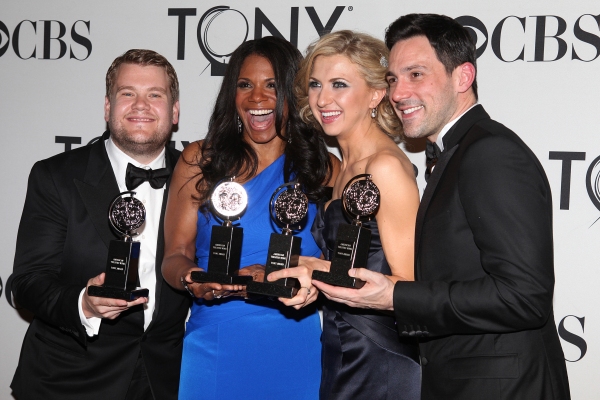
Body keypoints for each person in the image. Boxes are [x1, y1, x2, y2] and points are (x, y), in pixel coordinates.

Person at [312, 14, 571, 400]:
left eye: (416, 74)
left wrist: (395, 296)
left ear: (462, 78)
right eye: (394, 78)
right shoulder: (454, 155)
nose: (399, 92)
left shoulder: (491, 153)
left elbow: (524, 296)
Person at [6, 49, 191, 399]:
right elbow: (27, 282)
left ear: (175, 111)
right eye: (127, 94)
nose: (141, 105)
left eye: (155, 95)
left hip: (164, 380)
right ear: (107, 107)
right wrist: (83, 305)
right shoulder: (56, 176)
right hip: (68, 381)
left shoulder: (198, 179)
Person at [161, 36, 337, 400]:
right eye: (245, 85)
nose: (257, 98)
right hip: (214, 338)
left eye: (272, 85)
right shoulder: (199, 160)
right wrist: (191, 277)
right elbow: (174, 255)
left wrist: (279, 275)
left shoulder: (324, 170)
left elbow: (342, 266)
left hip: (291, 341)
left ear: (293, 92)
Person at [281, 30, 421, 399]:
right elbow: (353, 266)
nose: (322, 99)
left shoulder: (385, 167)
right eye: (315, 84)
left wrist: (319, 270)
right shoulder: (343, 168)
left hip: (381, 355)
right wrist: (313, 277)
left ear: (376, 94)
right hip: (341, 345)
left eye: (339, 84)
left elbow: (408, 285)